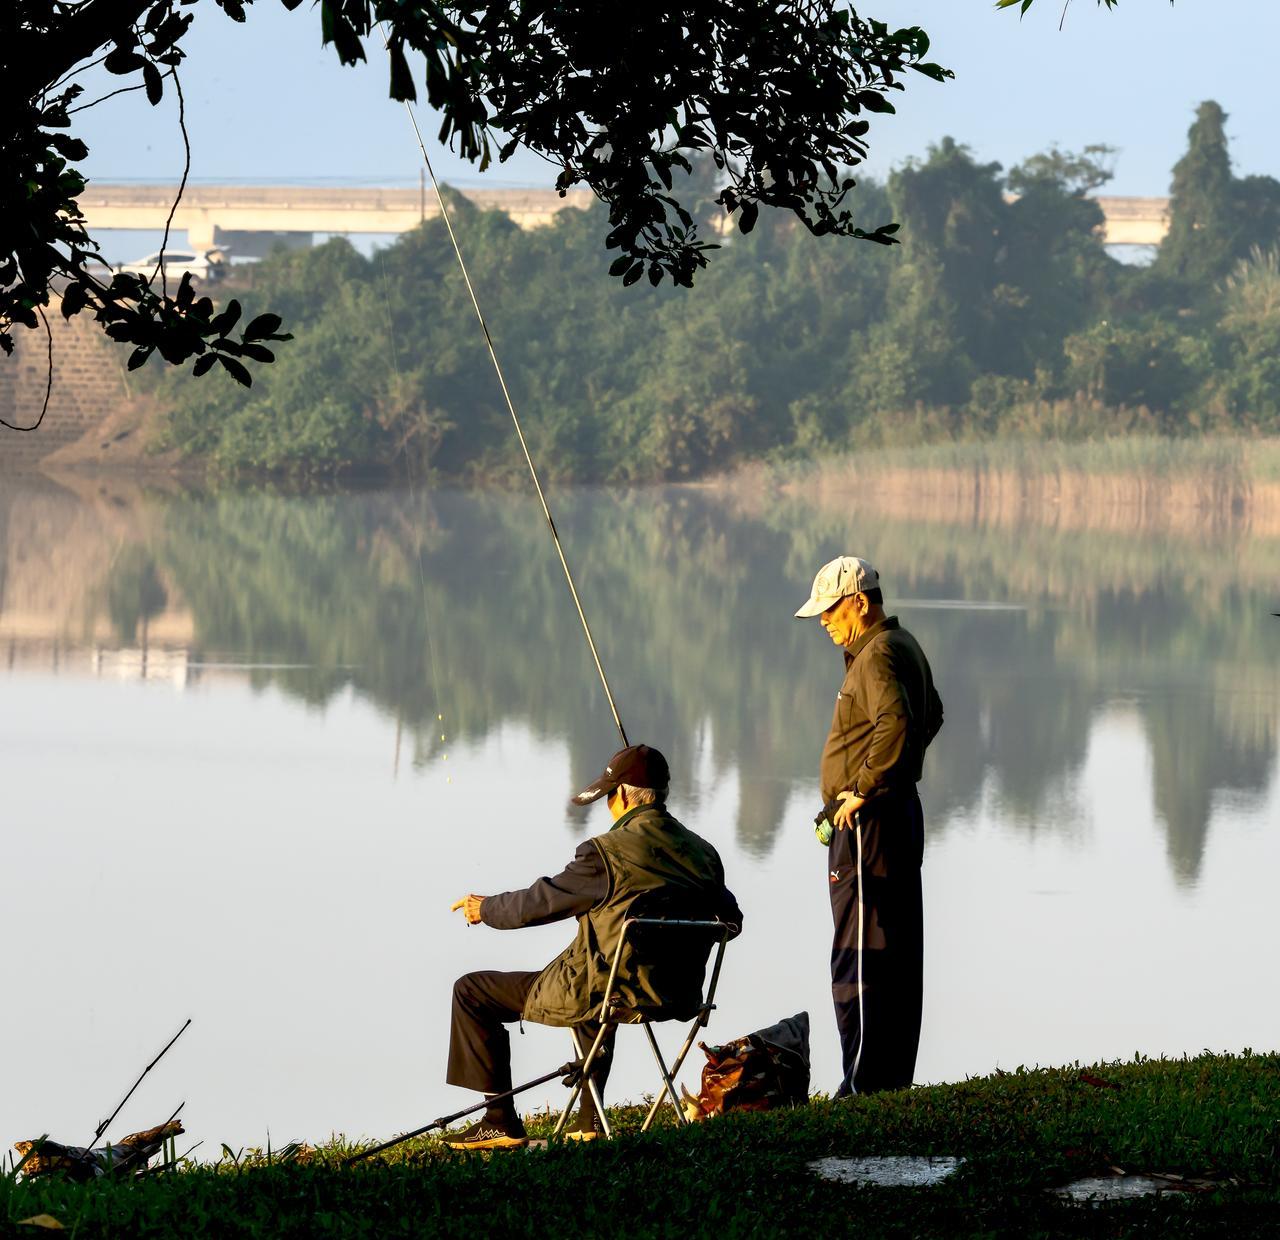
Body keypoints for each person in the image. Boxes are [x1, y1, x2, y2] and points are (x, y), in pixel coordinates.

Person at [445, 743, 743, 1149]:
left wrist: (486, 909)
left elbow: (539, 903)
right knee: (603, 975)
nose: (607, 806)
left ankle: (499, 1120)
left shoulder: (605, 854)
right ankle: (589, 1121)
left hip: (615, 990)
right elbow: (732, 921)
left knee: (472, 991)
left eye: (607, 797)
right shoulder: (703, 854)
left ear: (620, 795)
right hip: (679, 993)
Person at [795, 556, 943, 1097]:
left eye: (831, 610)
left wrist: (859, 789)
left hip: (869, 826)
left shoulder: (876, 655)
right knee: (897, 950)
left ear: (859, 600)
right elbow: (932, 713)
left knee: (861, 952)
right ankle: (888, 1083)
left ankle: (861, 1085)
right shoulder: (900, 647)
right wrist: (891, 771)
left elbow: (899, 721)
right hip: (896, 815)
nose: (825, 622)